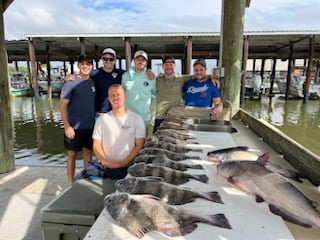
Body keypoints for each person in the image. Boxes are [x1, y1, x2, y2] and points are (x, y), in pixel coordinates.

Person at [90, 84, 145, 179]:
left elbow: (139, 145)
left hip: (128, 167)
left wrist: (123, 163)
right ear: (108, 98)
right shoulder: (101, 120)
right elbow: (96, 145)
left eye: (118, 95)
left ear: (125, 97)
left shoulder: (137, 119)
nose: (116, 98)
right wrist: (104, 161)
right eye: (112, 95)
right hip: (105, 167)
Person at [154, 56, 221, 130]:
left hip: (202, 119)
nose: (198, 72)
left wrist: (211, 76)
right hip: (176, 118)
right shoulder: (186, 82)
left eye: (201, 70)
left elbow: (217, 102)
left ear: (205, 69)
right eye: (196, 70)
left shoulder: (212, 84)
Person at [60, 54, 96, 184]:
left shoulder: (92, 82)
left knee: (88, 154)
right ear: (78, 65)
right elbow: (63, 104)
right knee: (72, 155)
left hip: (90, 126)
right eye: (82, 64)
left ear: (92, 66)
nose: (85, 66)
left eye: (88, 64)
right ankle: (70, 183)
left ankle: (86, 179)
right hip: (73, 127)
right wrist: (67, 126)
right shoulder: (70, 82)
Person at [122, 50, 157, 129]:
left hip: (145, 118)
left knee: (143, 141)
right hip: (128, 117)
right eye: (138, 59)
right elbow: (122, 93)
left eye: (143, 60)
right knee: (127, 141)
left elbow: (155, 95)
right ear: (134, 61)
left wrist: (153, 115)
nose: (140, 61)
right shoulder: (126, 75)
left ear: (146, 62)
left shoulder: (151, 77)